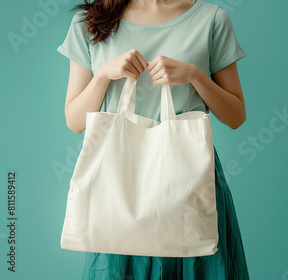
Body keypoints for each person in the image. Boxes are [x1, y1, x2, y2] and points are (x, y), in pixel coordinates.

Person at [56, 0, 250, 279]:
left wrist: (195, 76)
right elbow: (75, 121)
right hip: (119, 191)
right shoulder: (91, 20)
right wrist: (102, 75)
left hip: (189, 186)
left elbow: (235, 116)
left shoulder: (212, 19)